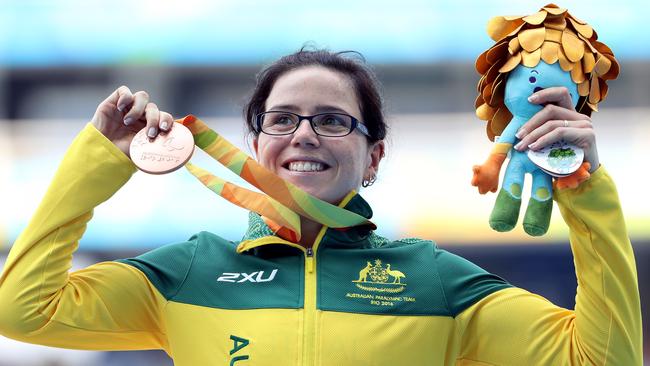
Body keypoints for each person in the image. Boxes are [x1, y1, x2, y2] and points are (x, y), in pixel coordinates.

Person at [0, 49, 642, 365]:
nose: (304, 134)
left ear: (375, 157)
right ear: (255, 143)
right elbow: (21, 310)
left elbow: (600, 359)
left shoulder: (436, 282)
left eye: (333, 121)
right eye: (282, 119)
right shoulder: (191, 271)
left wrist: (584, 188)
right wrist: (97, 163)